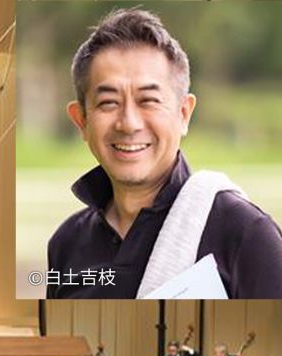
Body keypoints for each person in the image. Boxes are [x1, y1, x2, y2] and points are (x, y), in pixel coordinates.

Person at [46, 8, 282, 299]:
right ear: (81, 120)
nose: (129, 123)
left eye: (148, 100)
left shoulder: (244, 234)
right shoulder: (67, 243)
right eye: (108, 102)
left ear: (184, 113)